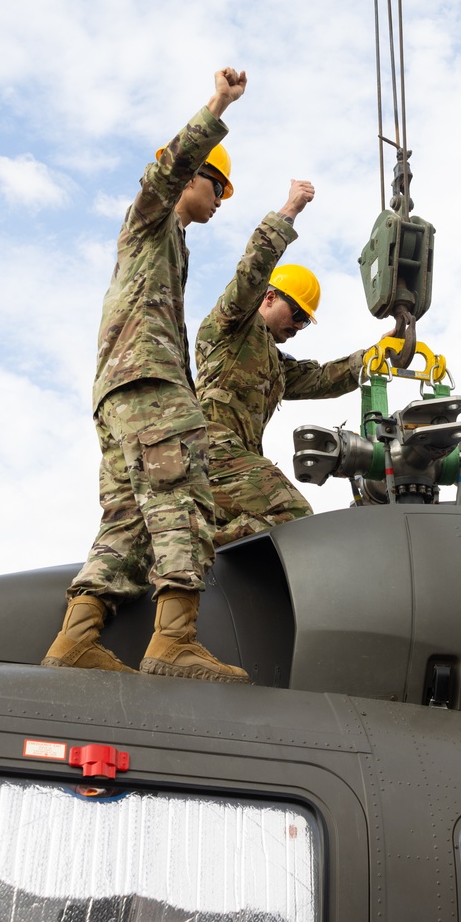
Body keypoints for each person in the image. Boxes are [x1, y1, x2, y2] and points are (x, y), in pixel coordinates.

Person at [42, 68, 250, 683]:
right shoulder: (150, 217)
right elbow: (165, 169)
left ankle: (76, 639)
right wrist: (217, 104)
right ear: (194, 177)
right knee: (184, 501)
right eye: (219, 187)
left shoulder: (171, 245)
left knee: (128, 521)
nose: (219, 201)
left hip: (119, 396)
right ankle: (173, 642)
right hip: (148, 385)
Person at [195, 180, 376, 545]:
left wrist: (375, 357)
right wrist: (289, 211)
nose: (298, 325)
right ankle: (193, 546)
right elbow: (251, 273)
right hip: (207, 449)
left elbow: (323, 378)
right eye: (296, 313)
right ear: (269, 297)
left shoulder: (274, 365)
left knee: (260, 534)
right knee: (291, 515)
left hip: (229, 463)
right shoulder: (232, 325)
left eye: (305, 320)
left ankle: (191, 550)